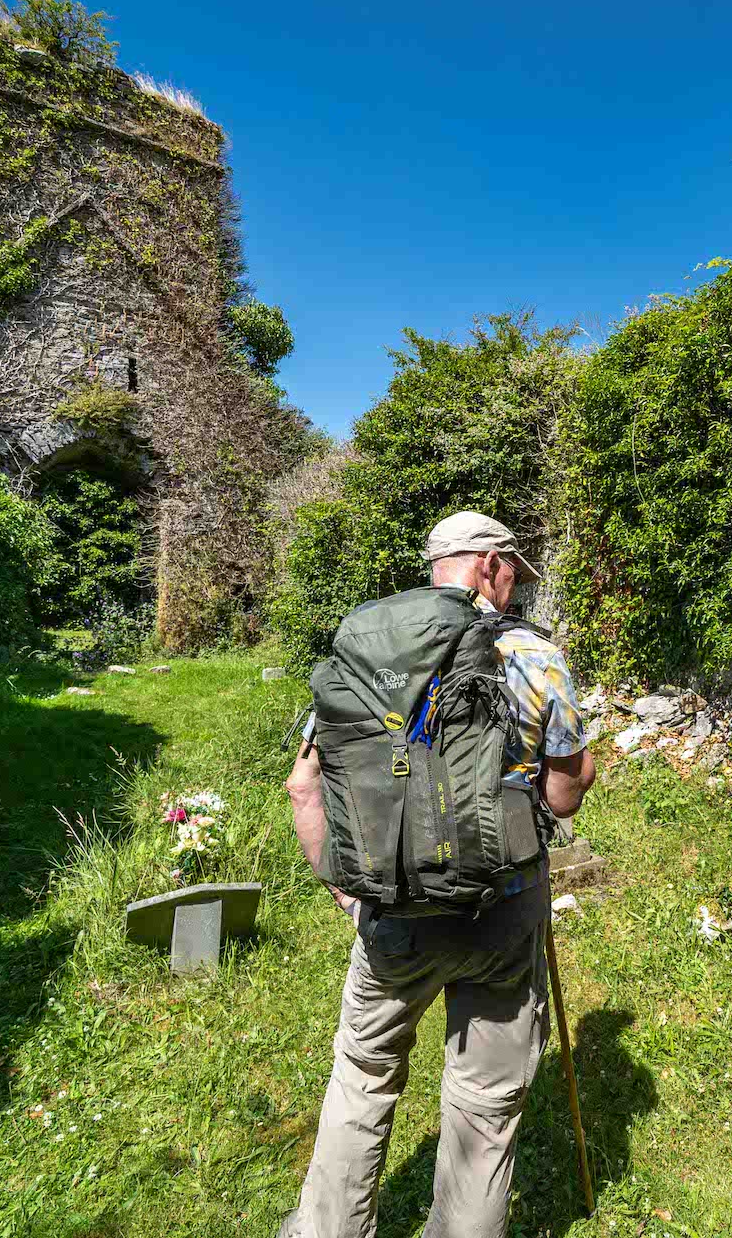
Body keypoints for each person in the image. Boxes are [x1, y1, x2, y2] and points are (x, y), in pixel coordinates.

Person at [281, 511, 597, 1238]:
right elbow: (560, 793)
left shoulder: (368, 649)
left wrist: (351, 891)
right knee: (485, 1105)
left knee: (362, 1076)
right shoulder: (532, 655)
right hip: (503, 905)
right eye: (513, 566)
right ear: (488, 563)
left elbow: (304, 786)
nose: (515, 581)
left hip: (392, 910)